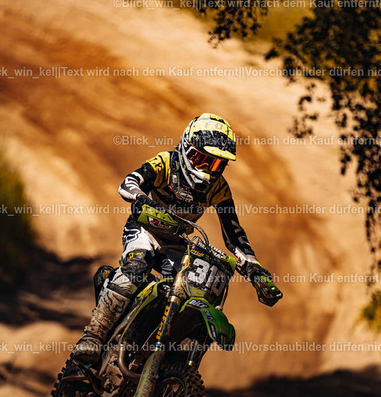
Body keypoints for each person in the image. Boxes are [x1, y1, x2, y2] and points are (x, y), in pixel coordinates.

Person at [74, 112, 280, 363]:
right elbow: (128, 183)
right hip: (145, 229)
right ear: (187, 148)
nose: (208, 170)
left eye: (217, 164)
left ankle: (163, 356)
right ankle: (94, 336)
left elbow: (234, 234)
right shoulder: (165, 162)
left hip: (176, 242)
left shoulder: (219, 188)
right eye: (203, 159)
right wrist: (141, 198)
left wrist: (255, 269)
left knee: (187, 290)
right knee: (137, 267)